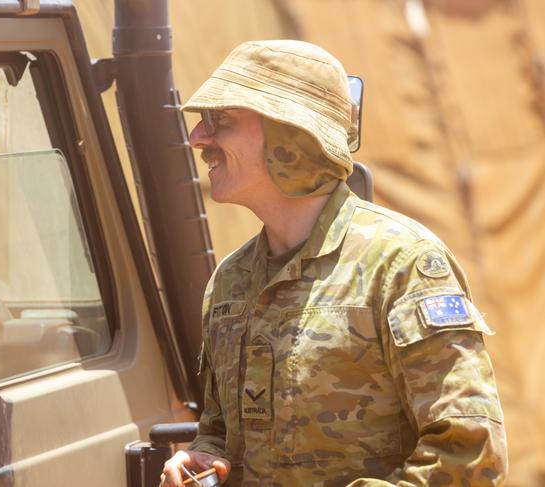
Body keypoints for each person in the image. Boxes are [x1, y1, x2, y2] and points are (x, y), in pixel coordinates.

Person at [160, 40, 508, 487]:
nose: (198, 139)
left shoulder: (402, 265)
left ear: (292, 136)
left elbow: (470, 454)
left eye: (221, 121)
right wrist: (203, 459)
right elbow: (219, 430)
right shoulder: (230, 281)